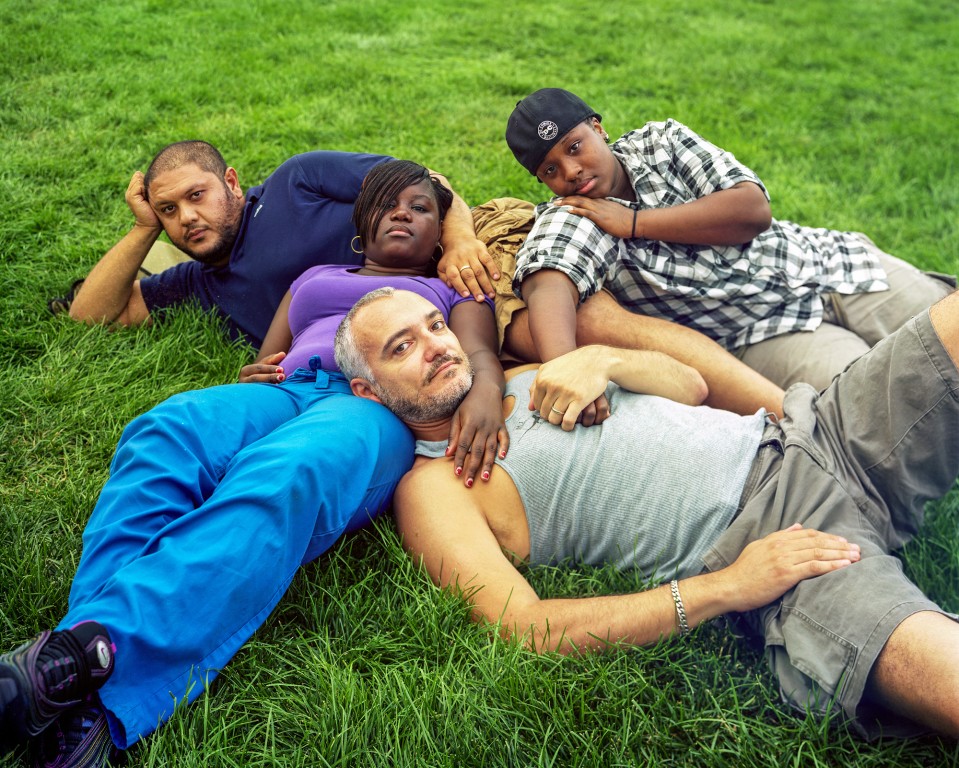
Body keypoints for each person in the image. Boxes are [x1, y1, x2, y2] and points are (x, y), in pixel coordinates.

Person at [0, 161, 505, 767]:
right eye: (389, 209)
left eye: (421, 211)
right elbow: (273, 347)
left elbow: (478, 349)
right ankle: (77, 687)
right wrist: (262, 368)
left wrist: (482, 385)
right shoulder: (317, 275)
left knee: (288, 470)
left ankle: (92, 666)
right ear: (360, 226)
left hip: (371, 406)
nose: (404, 216)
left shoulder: (449, 283)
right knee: (166, 428)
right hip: (289, 389)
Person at [333, 286, 959, 740]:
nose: (436, 347)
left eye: (434, 327)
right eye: (402, 347)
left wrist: (603, 360)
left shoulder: (519, 375)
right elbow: (524, 629)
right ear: (367, 390)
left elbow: (691, 386)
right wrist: (724, 588)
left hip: (814, 430)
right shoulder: (434, 485)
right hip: (776, 540)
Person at [503, 87, 955, 394]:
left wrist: (635, 222)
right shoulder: (578, 215)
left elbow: (752, 211)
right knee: (875, 388)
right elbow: (549, 280)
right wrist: (561, 367)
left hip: (818, 263)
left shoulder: (663, 143)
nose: (571, 171)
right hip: (758, 331)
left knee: (945, 323)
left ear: (598, 128)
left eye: (574, 146)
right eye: (550, 170)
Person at [65, 141, 499, 348]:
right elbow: (89, 315)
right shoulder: (199, 284)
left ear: (231, 182)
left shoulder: (296, 181)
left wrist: (460, 239)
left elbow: (428, 182)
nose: (188, 217)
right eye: (168, 211)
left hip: (467, 271)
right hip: (414, 341)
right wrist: (143, 230)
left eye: (196, 196)